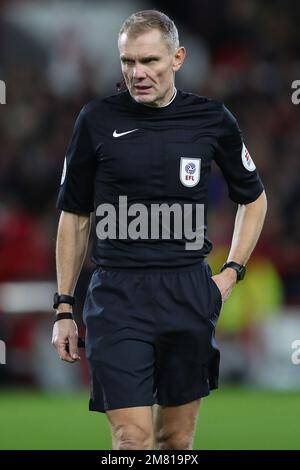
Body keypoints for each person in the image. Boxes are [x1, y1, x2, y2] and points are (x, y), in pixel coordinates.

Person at [51, 10, 267, 450]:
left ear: (178, 58)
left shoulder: (211, 120)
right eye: (128, 62)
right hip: (117, 296)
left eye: (149, 61)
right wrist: (63, 308)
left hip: (187, 292)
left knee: (177, 441)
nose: (137, 73)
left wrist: (231, 272)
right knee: (132, 439)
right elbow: (74, 216)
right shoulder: (95, 121)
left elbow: (254, 197)